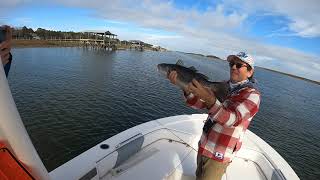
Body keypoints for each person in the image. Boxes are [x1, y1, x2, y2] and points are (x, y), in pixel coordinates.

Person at [168, 52, 261, 180]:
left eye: (239, 65)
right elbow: (200, 104)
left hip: (219, 154)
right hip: (204, 145)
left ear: (250, 72)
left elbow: (232, 120)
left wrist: (210, 99)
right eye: (231, 64)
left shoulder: (252, 95)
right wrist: (184, 87)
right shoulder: (223, 85)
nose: (233, 67)